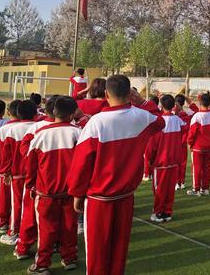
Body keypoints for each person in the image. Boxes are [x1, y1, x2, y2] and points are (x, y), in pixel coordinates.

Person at [67, 75, 164, 275]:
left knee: (97, 252)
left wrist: (77, 192)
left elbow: (81, 162)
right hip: (126, 197)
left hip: (99, 198)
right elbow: (160, 121)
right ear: (130, 93)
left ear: (106, 94)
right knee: (119, 250)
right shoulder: (141, 116)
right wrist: (143, 101)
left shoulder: (96, 122)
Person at [25, 96, 81, 274]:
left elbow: (31, 164)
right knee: (69, 226)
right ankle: (69, 257)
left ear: (53, 111)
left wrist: (30, 186)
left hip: (46, 192)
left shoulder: (41, 134)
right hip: (70, 191)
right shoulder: (78, 132)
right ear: (72, 114)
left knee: (46, 230)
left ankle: (42, 264)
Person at [14, 96, 58, 260]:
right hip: (61, 183)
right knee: (58, 218)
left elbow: (25, 151)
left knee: (30, 216)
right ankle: (56, 246)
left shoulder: (36, 127)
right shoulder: (73, 127)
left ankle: (23, 248)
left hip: (39, 182)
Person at [0, 100, 37, 245]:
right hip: (35, 174)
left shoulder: (12, 130)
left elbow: (6, 154)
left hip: (18, 174)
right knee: (31, 205)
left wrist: (5, 172)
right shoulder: (37, 127)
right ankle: (31, 232)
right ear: (35, 113)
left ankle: (14, 232)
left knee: (17, 204)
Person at [149, 94, 187, 223]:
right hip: (174, 161)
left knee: (159, 189)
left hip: (161, 162)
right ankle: (167, 212)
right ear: (174, 105)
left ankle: (159, 212)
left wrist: (149, 159)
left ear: (161, 105)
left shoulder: (159, 122)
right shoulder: (178, 120)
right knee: (170, 189)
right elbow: (185, 127)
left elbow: (152, 145)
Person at [0, 99, 21, 233]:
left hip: (2, 165)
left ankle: (1, 219)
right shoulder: (7, 124)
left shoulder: (5, 127)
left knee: (1, 194)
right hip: (17, 167)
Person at [186, 92, 210, 196]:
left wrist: (190, 143)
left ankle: (196, 189)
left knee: (196, 168)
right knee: (207, 168)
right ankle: (205, 189)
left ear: (200, 102)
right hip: (208, 146)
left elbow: (192, 132)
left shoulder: (196, 116)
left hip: (198, 147)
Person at [174, 94, 192, 190]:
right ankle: (182, 182)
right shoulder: (187, 114)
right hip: (184, 142)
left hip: (176, 143)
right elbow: (195, 109)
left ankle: (177, 182)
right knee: (183, 163)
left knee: (176, 163)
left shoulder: (175, 116)